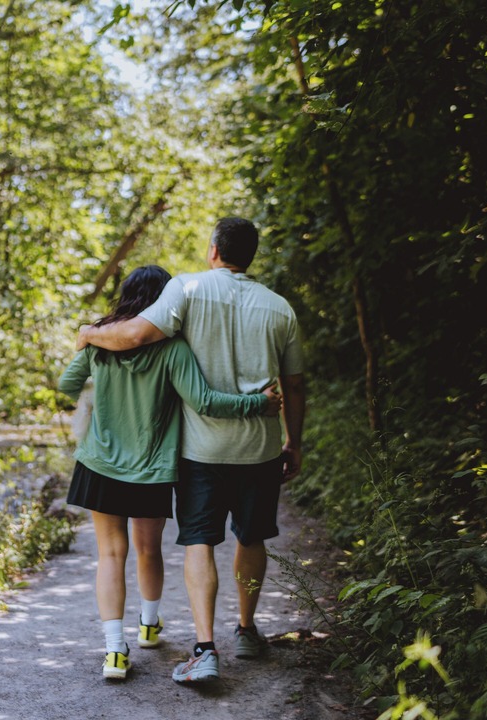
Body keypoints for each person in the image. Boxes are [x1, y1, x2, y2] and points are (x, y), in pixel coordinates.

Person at [77, 217, 305, 684]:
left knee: (199, 540)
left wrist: (87, 333)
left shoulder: (186, 288)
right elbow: (295, 385)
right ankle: (246, 630)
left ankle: (204, 648)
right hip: (260, 448)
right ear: (251, 255)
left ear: (213, 250)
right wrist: (293, 442)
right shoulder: (280, 308)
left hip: (200, 450)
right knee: (251, 538)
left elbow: (134, 336)